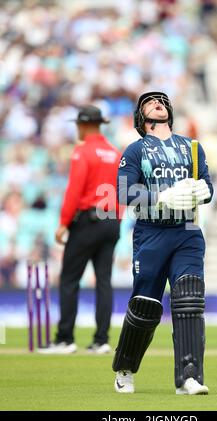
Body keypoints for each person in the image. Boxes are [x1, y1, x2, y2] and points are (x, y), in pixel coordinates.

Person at [112, 92, 213, 394]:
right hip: (151, 233)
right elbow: (122, 192)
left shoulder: (192, 148)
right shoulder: (135, 150)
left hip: (187, 232)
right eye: (149, 102)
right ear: (141, 118)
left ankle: (190, 376)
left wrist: (201, 191)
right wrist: (161, 197)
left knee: (189, 298)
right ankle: (125, 369)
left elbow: (208, 186)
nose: (157, 102)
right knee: (145, 305)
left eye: (161, 100)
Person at [40, 105, 122, 354]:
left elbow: (74, 191)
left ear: (84, 125)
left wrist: (64, 223)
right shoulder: (114, 153)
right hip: (111, 220)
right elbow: (124, 187)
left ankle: (65, 338)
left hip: (89, 220)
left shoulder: (82, 152)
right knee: (104, 281)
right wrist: (116, 218)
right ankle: (101, 340)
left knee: (69, 279)